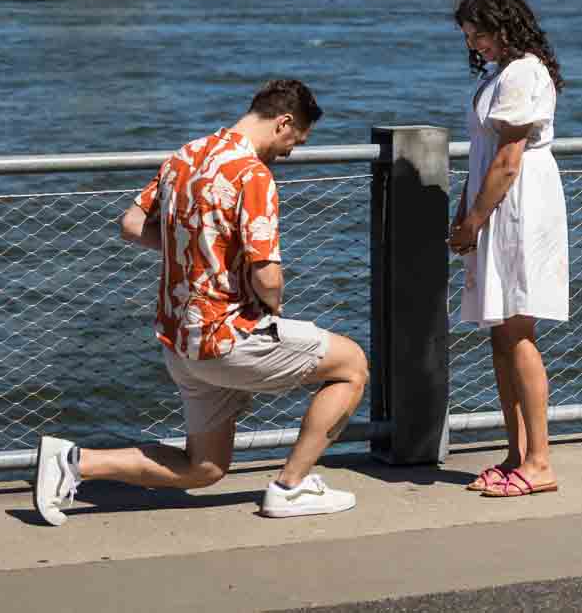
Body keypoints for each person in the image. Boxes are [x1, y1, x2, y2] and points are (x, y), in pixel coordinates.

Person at [33, 78, 368, 524]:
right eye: (294, 141)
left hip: (181, 341)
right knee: (351, 365)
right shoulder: (253, 175)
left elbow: (131, 224)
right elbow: (266, 274)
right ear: (283, 121)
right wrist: (274, 304)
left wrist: (192, 251)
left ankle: (73, 463)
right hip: (229, 337)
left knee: (205, 468)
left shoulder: (184, 157)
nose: (289, 153)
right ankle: (291, 488)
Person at [449, 0, 569, 499]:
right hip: (498, 202)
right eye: (469, 38)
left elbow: (508, 159)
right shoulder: (505, 72)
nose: (475, 45)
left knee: (518, 329)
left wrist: (474, 218)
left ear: (504, 25)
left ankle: (539, 461)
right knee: (501, 331)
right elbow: (484, 156)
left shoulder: (522, 73)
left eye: (479, 34)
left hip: (517, 206)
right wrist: (466, 209)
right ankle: (516, 453)